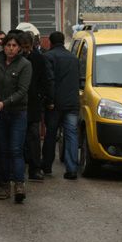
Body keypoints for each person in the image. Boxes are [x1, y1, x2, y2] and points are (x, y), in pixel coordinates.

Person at [0, 32, 32, 203]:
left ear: (19, 47)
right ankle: (4, 185)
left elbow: (22, 90)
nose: (10, 48)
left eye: (14, 46)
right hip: (0, 114)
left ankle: (19, 184)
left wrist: (5, 102)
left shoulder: (25, 64)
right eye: (8, 45)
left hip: (17, 112)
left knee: (16, 149)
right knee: (2, 150)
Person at [41, 31, 80, 180]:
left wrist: (50, 101)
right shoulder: (74, 58)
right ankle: (72, 170)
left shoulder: (49, 57)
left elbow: (50, 80)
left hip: (55, 104)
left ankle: (47, 167)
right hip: (72, 103)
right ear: (63, 41)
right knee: (71, 135)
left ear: (50, 42)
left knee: (51, 135)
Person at [19, 32, 52, 182]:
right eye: (23, 47)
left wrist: (41, 96)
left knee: (33, 137)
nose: (26, 50)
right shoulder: (15, 59)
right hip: (18, 104)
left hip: (32, 103)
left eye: (28, 47)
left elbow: (45, 79)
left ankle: (34, 168)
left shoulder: (38, 59)